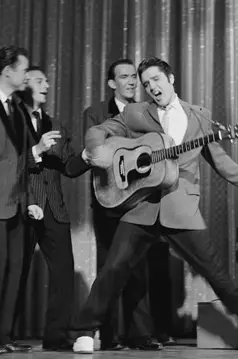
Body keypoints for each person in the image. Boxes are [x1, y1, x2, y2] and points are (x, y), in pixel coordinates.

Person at [72, 57, 238, 354]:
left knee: (216, 274)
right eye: (146, 83)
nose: (151, 87)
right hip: (142, 205)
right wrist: (95, 149)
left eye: (156, 80)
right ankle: (86, 331)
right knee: (114, 268)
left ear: (171, 79)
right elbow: (100, 130)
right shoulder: (137, 112)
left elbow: (221, 161)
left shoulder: (199, 117)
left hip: (181, 207)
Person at [0, 46, 59, 356]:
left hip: (17, 203)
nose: (27, 76)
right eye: (23, 71)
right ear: (7, 72)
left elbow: (24, 157)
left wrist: (30, 198)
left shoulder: (18, 108)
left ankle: (2, 336)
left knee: (13, 271)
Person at [82, 58, 161, 350]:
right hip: (108, 200)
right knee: (109, 268)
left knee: (138, 268)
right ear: (112, 83)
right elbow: (95, 153)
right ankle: (108, 334)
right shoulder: (95, 113)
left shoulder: (145, 112)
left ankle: (139, 333)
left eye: (133, 77)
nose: (132, 82)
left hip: (139, 200)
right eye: (124, 77)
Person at [13, 66, 90, 351]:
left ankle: (55, 335)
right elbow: (6, 161)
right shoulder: (11, 119)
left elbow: (69, 167)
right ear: (24, 84)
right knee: (15, 271)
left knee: (63, 272)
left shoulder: (55, 124)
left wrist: (86, 156)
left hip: (54, 208)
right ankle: (3, 334)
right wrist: (38, 147)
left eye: (47, 80)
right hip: (22, 203)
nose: (46, 84)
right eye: (39, 80)